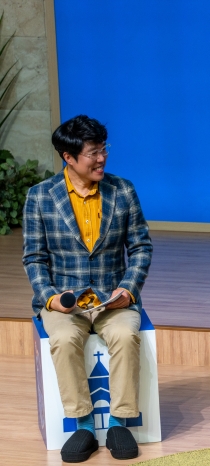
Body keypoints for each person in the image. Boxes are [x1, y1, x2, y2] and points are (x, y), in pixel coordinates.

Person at [22, 115, 153, 463]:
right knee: (65, 339)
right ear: (68, 157)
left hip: (113, 299)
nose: (102, 158)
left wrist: (128, 290)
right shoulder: (39, 196)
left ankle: (119, 423)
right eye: (93, 153)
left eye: (103, 149)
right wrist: (51, 298)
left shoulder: (123, 190)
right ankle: (82, 424)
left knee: (125, 335)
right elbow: (34, 258)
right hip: (66, 302)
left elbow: (141, 247)